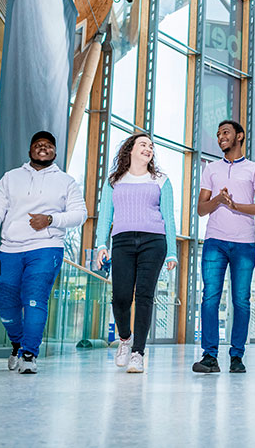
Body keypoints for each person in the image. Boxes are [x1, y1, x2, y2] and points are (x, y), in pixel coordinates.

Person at [0, 131, 87, 374]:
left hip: (46, 247)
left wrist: (50, 219)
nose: (43, 148)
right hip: (10, 248)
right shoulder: (11, 178)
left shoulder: (66, 182)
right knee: (5, 304)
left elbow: (80, 214)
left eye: (48, 145)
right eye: (38, 144)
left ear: (55, 153)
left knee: (35, 299)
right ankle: (17, 344)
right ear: (30, 151)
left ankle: (29, 354)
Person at [95, 133, 177, 373]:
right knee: (120, 297)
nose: (148, 148)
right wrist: (102, 244)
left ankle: (138, 352)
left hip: (154, 241)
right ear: (129, 149)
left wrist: (172, 252)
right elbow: (105, 217)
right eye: (143, 144)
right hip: (122, 241)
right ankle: (124, 339)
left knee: (144, 296)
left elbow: (168, 218)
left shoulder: (161, 180)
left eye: (151, 146)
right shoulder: (114, 180)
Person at [192, 120, 255, 374]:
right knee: (210, 298)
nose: (220, 138)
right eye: (217, 135)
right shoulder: (211, 169)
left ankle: (237, 356)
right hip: (215, 241)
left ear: (239, 136)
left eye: (225, 133)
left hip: (244, 243)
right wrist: (219, 200)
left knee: (241, 301)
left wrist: (236, 206)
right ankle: (209, 356)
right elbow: (202, 209)